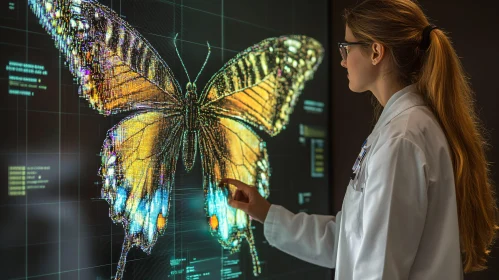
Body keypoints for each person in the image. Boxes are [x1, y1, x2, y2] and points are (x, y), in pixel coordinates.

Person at [220, 0, 499, 279]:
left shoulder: (401, 138)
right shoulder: (404, 128)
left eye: (346, 47)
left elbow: (376, 269)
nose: (342, 60)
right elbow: (350, 242)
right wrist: (267, 214)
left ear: (376, 51)